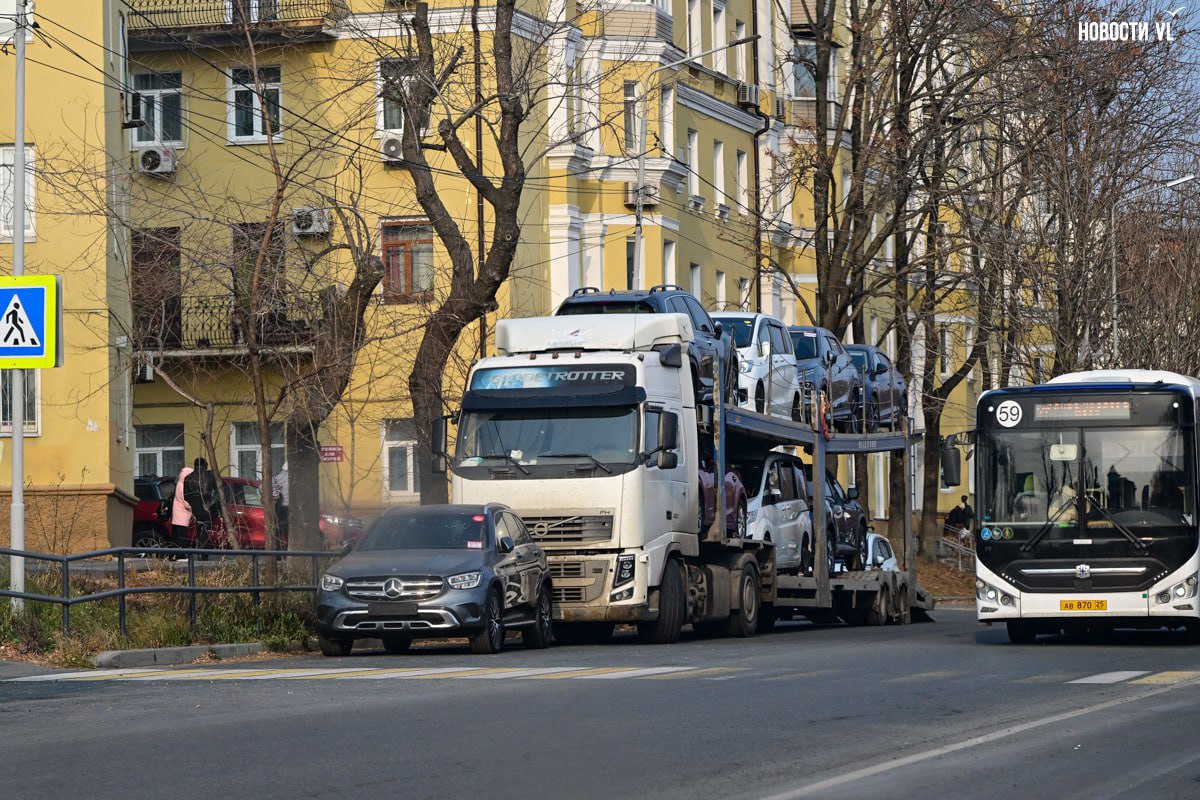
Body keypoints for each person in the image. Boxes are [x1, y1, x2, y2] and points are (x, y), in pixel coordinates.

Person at [183, 458, 220, 557]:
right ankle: (202, 552)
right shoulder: (210, 475)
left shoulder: (188, 478)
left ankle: (201, 550)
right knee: (206, 530)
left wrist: (193, 506)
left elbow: (185, 496)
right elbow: (217, 493)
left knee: (200, 530)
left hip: (196, 509)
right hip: (208, 508)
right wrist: (209, 504)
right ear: (205, 466)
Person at [170, 463, 194, 547]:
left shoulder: (179, 484)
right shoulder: (183, 486)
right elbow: (185, 501)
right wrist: (194, 507)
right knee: (182, 537)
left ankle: (176, 555)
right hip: (182, 516)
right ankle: (180, 555)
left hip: (178, 515)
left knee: (177, 537)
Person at [272, 462, 289, 547]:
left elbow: (261, 487)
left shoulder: (277, 478)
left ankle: (277, 553)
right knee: (288, 531)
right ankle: (288, 552)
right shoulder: (293, 479)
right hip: (290, 508)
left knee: (278, 530)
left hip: (279, 507)